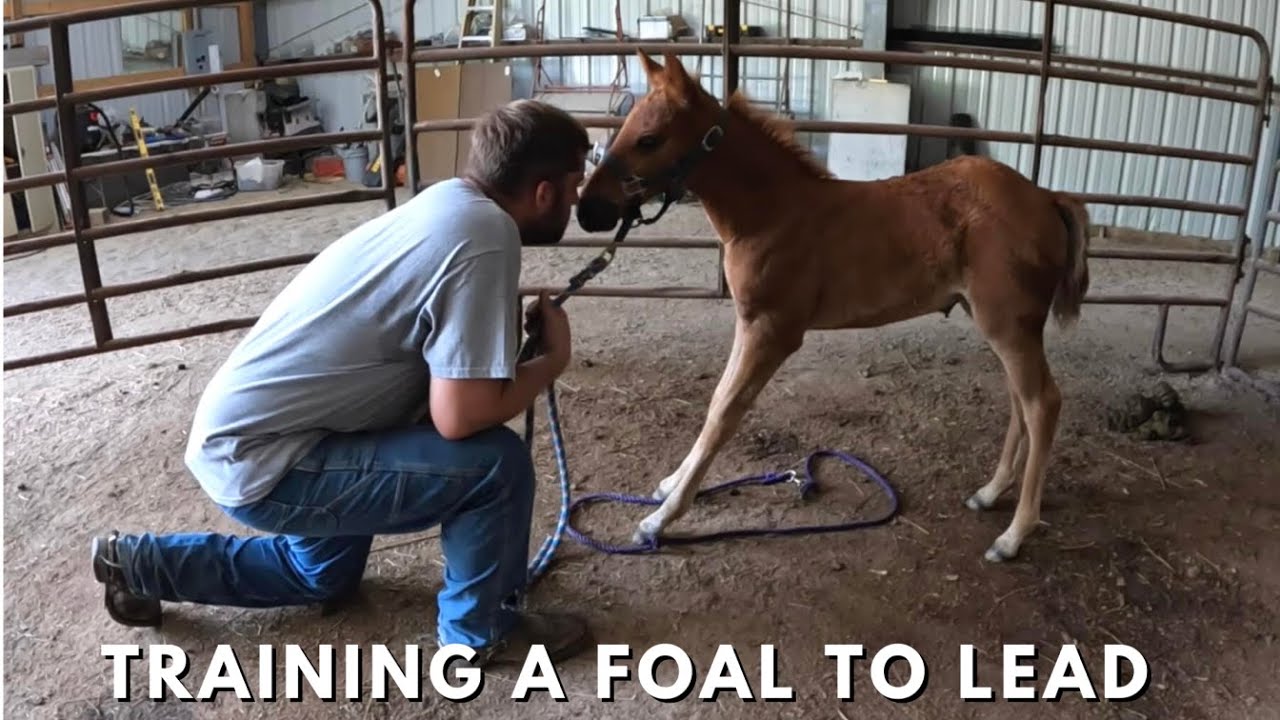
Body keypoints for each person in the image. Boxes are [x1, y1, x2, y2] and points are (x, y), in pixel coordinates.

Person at [90, 99, 594, 667]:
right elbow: (461, 416)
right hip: (275, 459)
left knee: (322, 575)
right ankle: (482, 632)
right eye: (575, 185)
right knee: (495, 466)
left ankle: (135, 563)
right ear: (545, 191)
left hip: (252, 441)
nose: (577, 200)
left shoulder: (449, 206)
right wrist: (551, 361)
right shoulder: (486, 234)